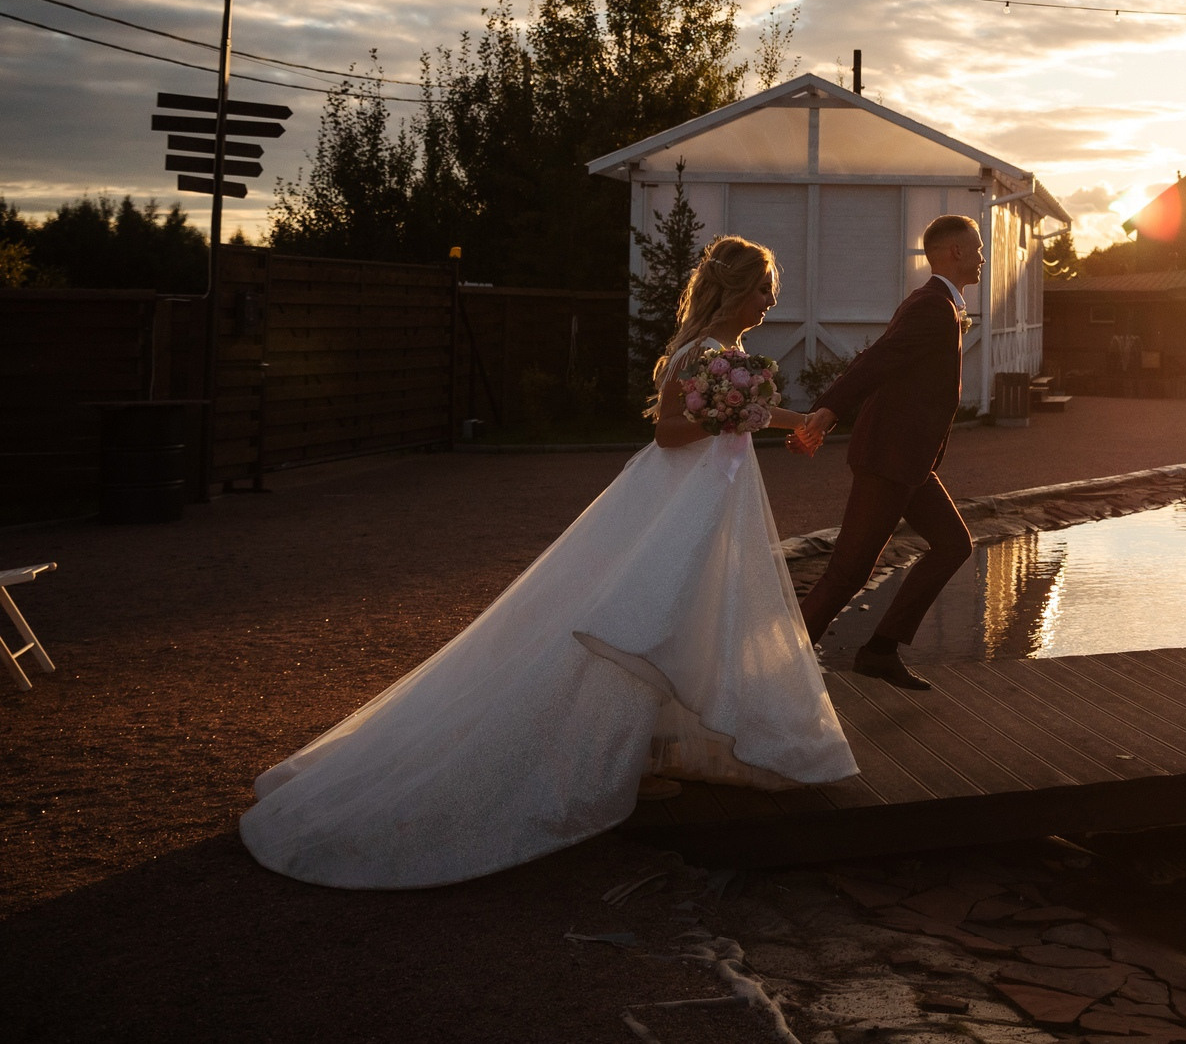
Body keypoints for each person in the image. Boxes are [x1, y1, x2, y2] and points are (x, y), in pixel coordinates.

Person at [237, 238, 855, 890]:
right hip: (674, 502)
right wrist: (730, 419)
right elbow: (669, 433)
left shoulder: (729, 357)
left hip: (710, 500)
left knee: (688, 616)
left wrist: (797, 421)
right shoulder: (697, 354)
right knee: (646, 617)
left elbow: (740, 414)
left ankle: (654, 748)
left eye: (772, 288)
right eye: (764, 287)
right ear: (733, 290)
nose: (771, 299)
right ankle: (613, 756)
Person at [790, 213, 982, 690]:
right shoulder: (932, 306)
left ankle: (880, 650)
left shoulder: (941, 304)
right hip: (890, 458)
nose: (982, 256)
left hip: (910, 461)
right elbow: (877, 360)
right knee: (849, 570)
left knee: (954, 544)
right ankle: (781, 664)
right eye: (976, 247)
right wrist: (829, 411)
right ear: (954, 251)